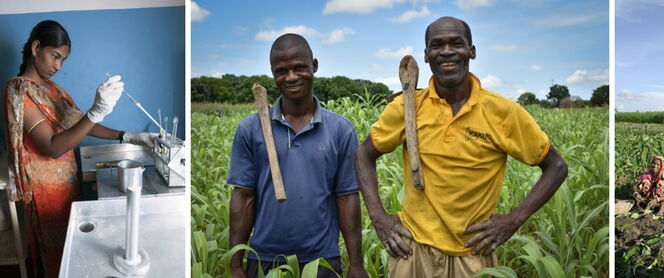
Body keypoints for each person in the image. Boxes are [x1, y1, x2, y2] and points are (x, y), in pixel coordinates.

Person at [355, 16, 569, 277]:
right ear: (426, 55)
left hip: (472, 253)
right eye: (437, 45)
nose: (446, 51)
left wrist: (513, 220)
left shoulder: (504, 112)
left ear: (472, 51)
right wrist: (379, 218)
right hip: (411, 251)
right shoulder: (406, 105)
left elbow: (556, 166)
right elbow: (364, 154)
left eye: (456, 43)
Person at [3, 20, 158, 277]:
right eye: (55, 56)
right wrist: (95, 113)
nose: (58, 66)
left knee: (72, 249)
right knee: (55, 257)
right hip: (44, 191)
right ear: (35, 47)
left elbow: (80, 125)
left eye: (63, 60)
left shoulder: (53, 90)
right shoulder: (18, 91)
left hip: (67, 183)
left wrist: (129, 136)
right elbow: (51, 147)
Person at [227, 34, 366, 278]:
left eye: (299, 67)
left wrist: (356, 265)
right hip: (264, 260)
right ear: (273, 73)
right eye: (282, 70)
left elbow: (346, 197)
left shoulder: (340, 130)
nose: (291, 77)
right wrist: (236, 265)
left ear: (314, 66)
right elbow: (244, 196)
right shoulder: (250, 128)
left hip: (322, 260)